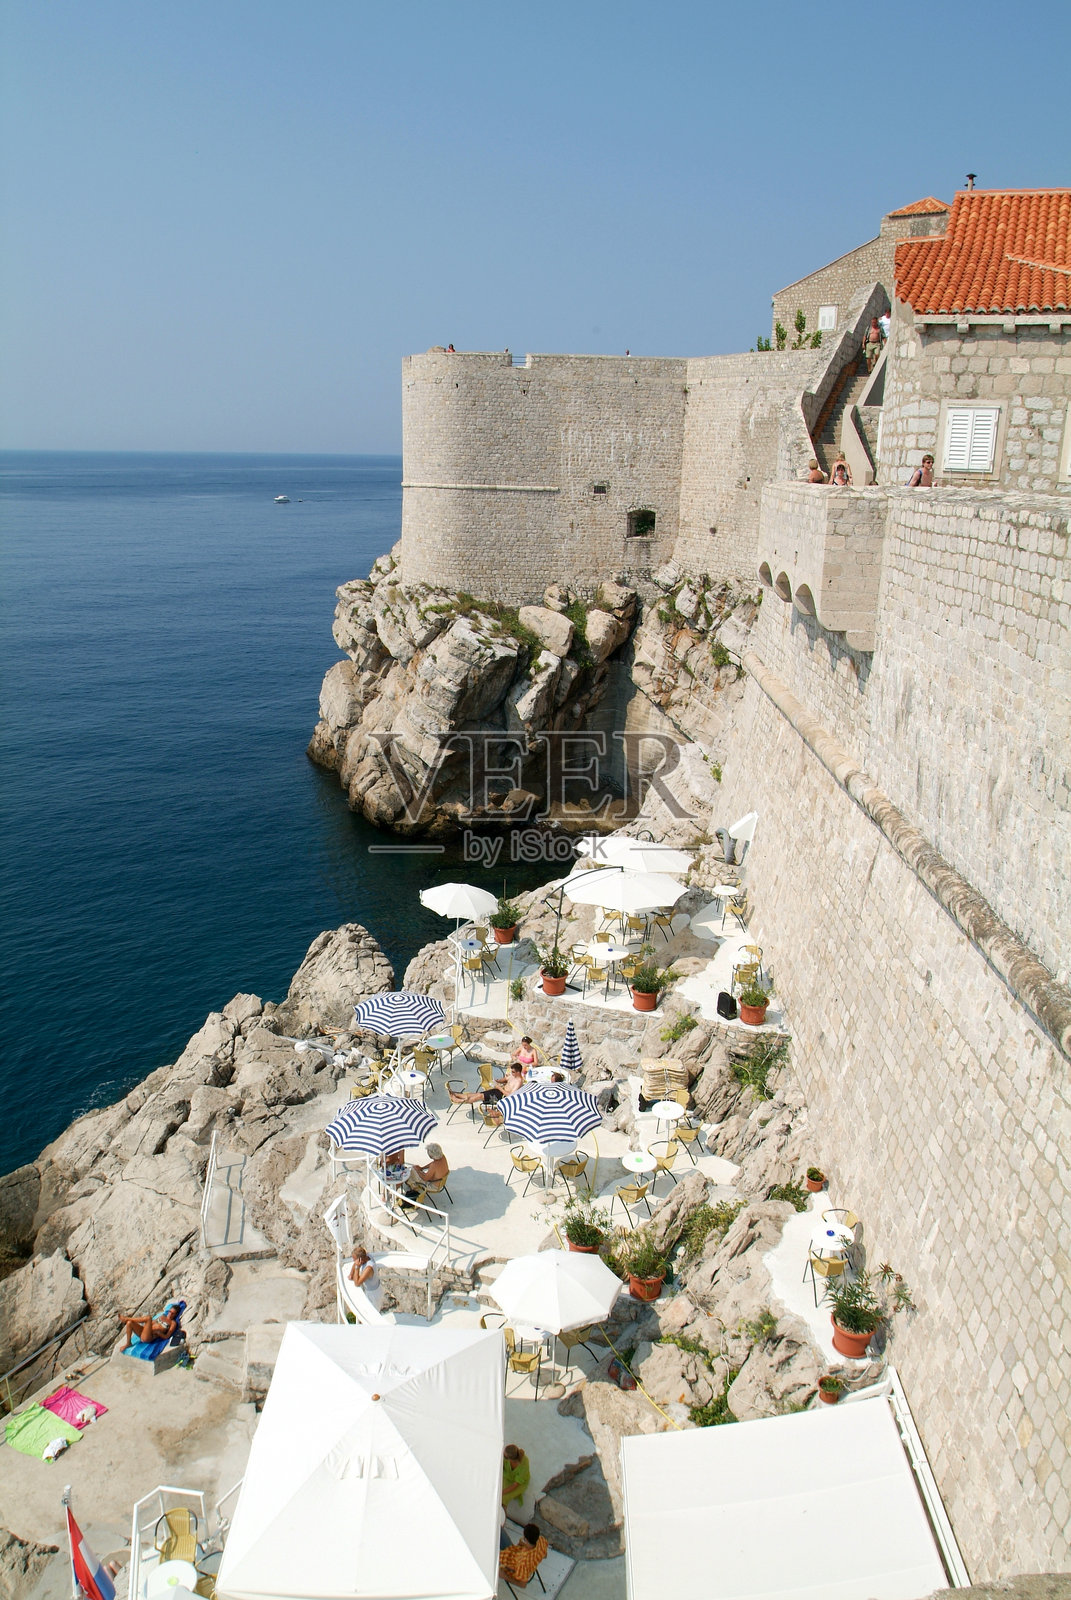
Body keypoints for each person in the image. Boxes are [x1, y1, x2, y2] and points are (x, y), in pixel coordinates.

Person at [117, 1304, 181, 1352]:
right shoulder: (162, 1316)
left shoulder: (173, 1323)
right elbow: (151, 1323)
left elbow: (167, 1336)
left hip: (149, 1337)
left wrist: (159, 1333)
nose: (170, 1314)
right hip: (144, 1332)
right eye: (170, 1311)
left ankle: (126, 1318)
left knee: (148, 1318)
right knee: (129, 1323)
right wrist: (144, 1327)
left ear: (175, 1315)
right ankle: (128, 1343)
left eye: (172, 1313)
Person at [501, 1444, 531, 1510]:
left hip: (519, 1483)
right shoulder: (506, 1458)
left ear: (510, 1459)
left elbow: (516, 1484)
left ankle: (502, 1515)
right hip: (507, 1475)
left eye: (504, 1456)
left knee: (503, 1498)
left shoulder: (524, 1464)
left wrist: (502, 1492)